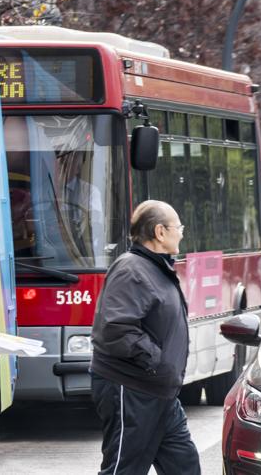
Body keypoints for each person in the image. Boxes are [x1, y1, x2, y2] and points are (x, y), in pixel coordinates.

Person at [89, 200, 199, 475]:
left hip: (161, 393)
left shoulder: (156, 267)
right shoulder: (131, 269)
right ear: (160, 232)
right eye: (178, 227)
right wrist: (156, 361)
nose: (182, 233)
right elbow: (115, 329)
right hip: (133, 389)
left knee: (185, 467)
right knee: (123, 469)